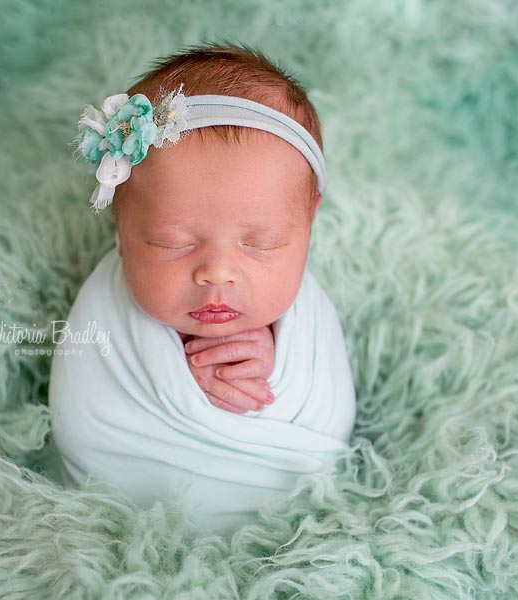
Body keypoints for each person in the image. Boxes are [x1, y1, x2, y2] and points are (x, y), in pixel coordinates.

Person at [49, 42, 356, 535]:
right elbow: (83, 418)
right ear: (122, 231)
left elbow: (322, 413)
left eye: (262, 244)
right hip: (130, 520)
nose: (217, 273)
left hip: (286, 524)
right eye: (172, 243)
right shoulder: (104, 318)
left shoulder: (307, 319)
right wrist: (180, 375)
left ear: (308, 222)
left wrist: (272, 367)